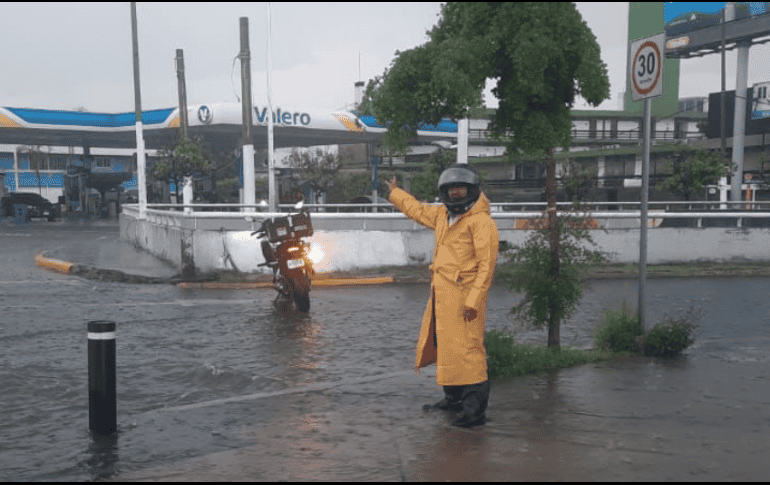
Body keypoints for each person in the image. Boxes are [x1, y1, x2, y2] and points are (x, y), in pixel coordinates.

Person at [385, 163, 499, 427]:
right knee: (447, 349)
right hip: (443, 297)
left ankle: (474, 411)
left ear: (471, 189)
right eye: (450, 189)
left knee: (470, 352)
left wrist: (473, 301)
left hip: (466, 299)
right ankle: (453, 398)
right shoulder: (442, 216)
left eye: (460, 188)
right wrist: (395, 193)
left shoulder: (481, 223)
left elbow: (486, 267)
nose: (456, 193)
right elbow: (417, 210)